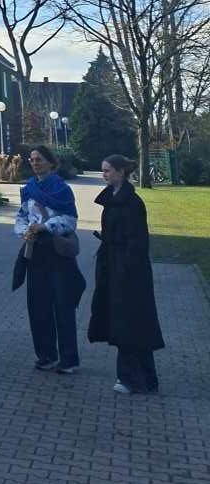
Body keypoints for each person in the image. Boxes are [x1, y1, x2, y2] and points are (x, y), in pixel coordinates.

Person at [88, 155, 165, 394]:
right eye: (103, 171)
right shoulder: (113, 199)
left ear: (121, 172)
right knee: (128, 324)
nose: (104, 175)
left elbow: (137, 242)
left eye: (108, 170)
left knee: (129, 324)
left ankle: (132, 378)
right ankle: (143, 378)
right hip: (114, 267)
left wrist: (125, 268)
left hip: (129, 272)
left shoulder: (132, 203)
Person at [13, 144, 85, 375]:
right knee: (38, 305)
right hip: (36, 252)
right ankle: (46, 355)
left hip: (57, 252)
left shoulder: (61, 189)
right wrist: (24, 230)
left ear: (51, 163)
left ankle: (69, 359)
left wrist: (45, 226)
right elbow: (22, 215)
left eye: (39, 159)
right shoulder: (29, 188)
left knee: (62, 306)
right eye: (32, 159)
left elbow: (70, 219)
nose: (35, 163)